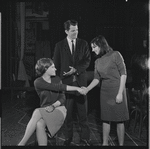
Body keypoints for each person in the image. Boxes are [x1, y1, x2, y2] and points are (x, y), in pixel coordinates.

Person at [18, 58, 83, 146]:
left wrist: (53, 105)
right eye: (52, 67)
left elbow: (62, 97)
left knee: (37, 111)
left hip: (59, 109)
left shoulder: (57, 79)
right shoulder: (38, 82)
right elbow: (56, 87)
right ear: (45, 69)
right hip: (45, 110)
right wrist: (77, 88)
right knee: (39, 124)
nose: (55, 69)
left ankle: (21, 144)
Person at [81, 35, 129, 146]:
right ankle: (104, 144)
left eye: (94, 47)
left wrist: (120, 93)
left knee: (119, 119)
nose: (92, 49)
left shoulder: (115, 55)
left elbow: (123, 74)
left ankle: (121, 145)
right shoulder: (97, 61)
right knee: (105, 119)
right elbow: (97, 79)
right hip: (105, 92)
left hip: (117, 90)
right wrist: (87, 89)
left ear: (101, 45)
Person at [53, 20, 92, 146]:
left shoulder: (83, 44)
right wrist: (59, 83)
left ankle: (85, 138)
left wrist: (75, 70)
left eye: (77, 30)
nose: (76, 32)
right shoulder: (59, 45)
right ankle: (68, 137)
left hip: (81, 83)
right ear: (66, 31)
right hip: (66, 85)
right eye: (73, 30)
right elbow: (56, 65)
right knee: (68, 114)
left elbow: (87, 61)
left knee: (83, 113)